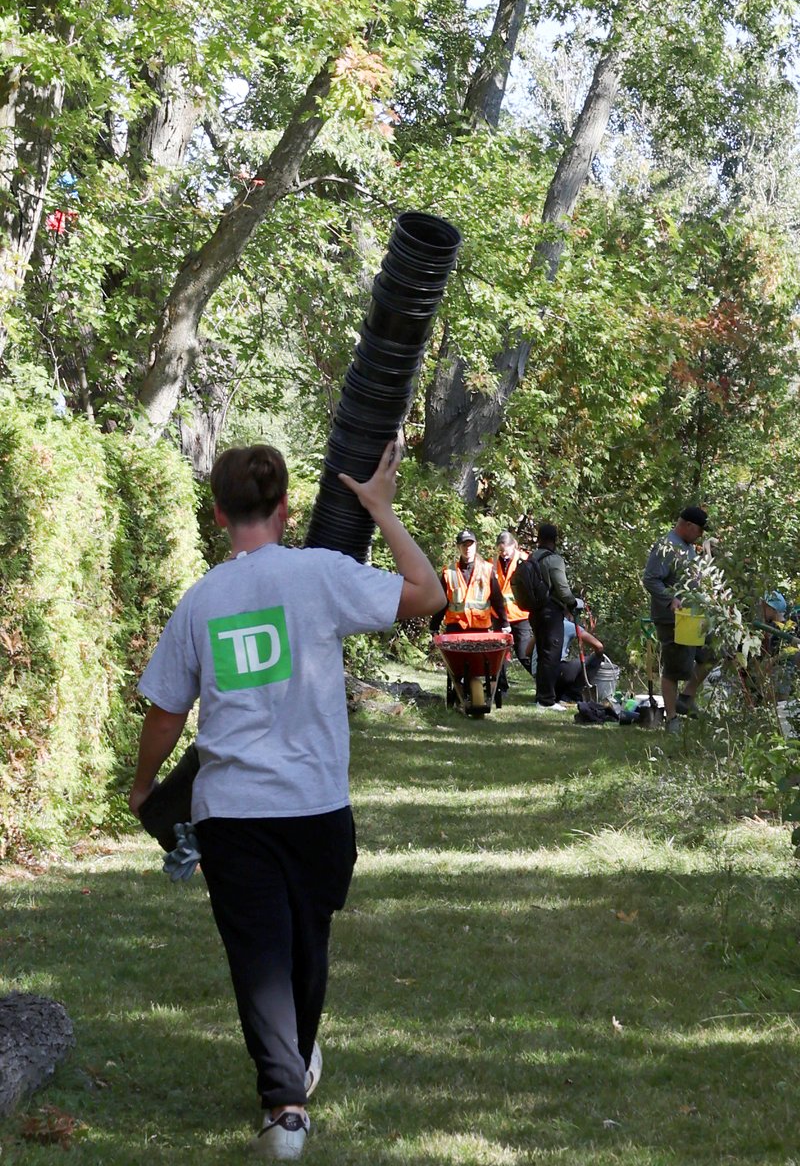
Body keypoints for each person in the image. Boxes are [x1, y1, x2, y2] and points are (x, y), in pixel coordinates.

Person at [128, 440, 443, 1161]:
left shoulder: (204, 598)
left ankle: (287, 1095)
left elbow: (166, 711)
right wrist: (382, 512)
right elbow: (427, 594)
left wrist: (145, 786)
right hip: (317, 807)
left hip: (232, 811)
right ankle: (286, 1098)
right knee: (304, 946)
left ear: (217, 515)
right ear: (285, 509)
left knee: (262, 953)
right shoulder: (320, 575)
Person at [642, 505, 714, 733]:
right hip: (672, 619)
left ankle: (687, 697)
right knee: (674, 668)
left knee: (711, 654)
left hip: (694, 617)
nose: (701, 534)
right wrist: (670, 599)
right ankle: (671, 718)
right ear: (688, 526)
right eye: (700, 530)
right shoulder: (666, 546)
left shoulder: (688, 547)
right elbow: (650, 579)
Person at [531, 522, 579, 709]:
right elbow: (562, 588)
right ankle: (547, 700)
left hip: (534, 611)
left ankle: (541, 697)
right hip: (551, 612)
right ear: (555, 540)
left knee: (542, 653)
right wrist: (573, 603)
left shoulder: (531, 558)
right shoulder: (554, 560)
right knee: (551, 655)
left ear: (539, 538)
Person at [431, 529, 508, 634]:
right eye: (464, 545)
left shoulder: (487, 570)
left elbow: (497, 599)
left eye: (470, 544)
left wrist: (504, 623)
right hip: (455, 628)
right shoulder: (449, 573)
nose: (468, 548)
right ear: (458, 547)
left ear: (475, 545)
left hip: (479, 628)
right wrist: (434, 625)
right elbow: (442, 603)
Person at [493, 531, 534, 676]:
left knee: (524, 654)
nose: (503, 554)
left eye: (506, 551)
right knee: (499, 654)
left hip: (521, 615)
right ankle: (500, 687)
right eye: (500, 551)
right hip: (499, 615)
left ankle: (543, 683)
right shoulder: (492, 563)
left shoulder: (525, 560)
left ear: (514, 546)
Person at [555, 613, 605, 703]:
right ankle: (572, 694)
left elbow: (527, 651)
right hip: (557, 673)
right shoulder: (569, 625)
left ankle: (555, 693)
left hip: (541, 676)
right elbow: (599, 646)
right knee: (596, 657)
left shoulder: (544, 623)